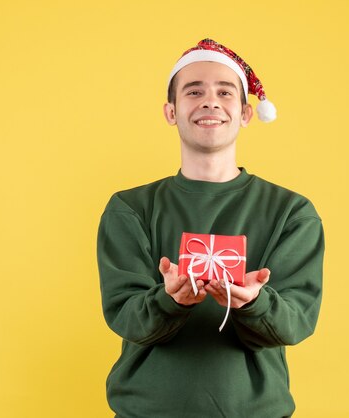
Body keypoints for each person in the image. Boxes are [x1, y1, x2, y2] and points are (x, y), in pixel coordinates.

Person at [97, 38, 324, 418]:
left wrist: (254, 302)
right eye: (194, 91)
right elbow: (125, 315)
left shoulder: (291, 212)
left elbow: (295, 322)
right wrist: (168, 300)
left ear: (246, 112)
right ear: (171, 111)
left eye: (224, 91)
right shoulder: (129, 210)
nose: (210, 101)